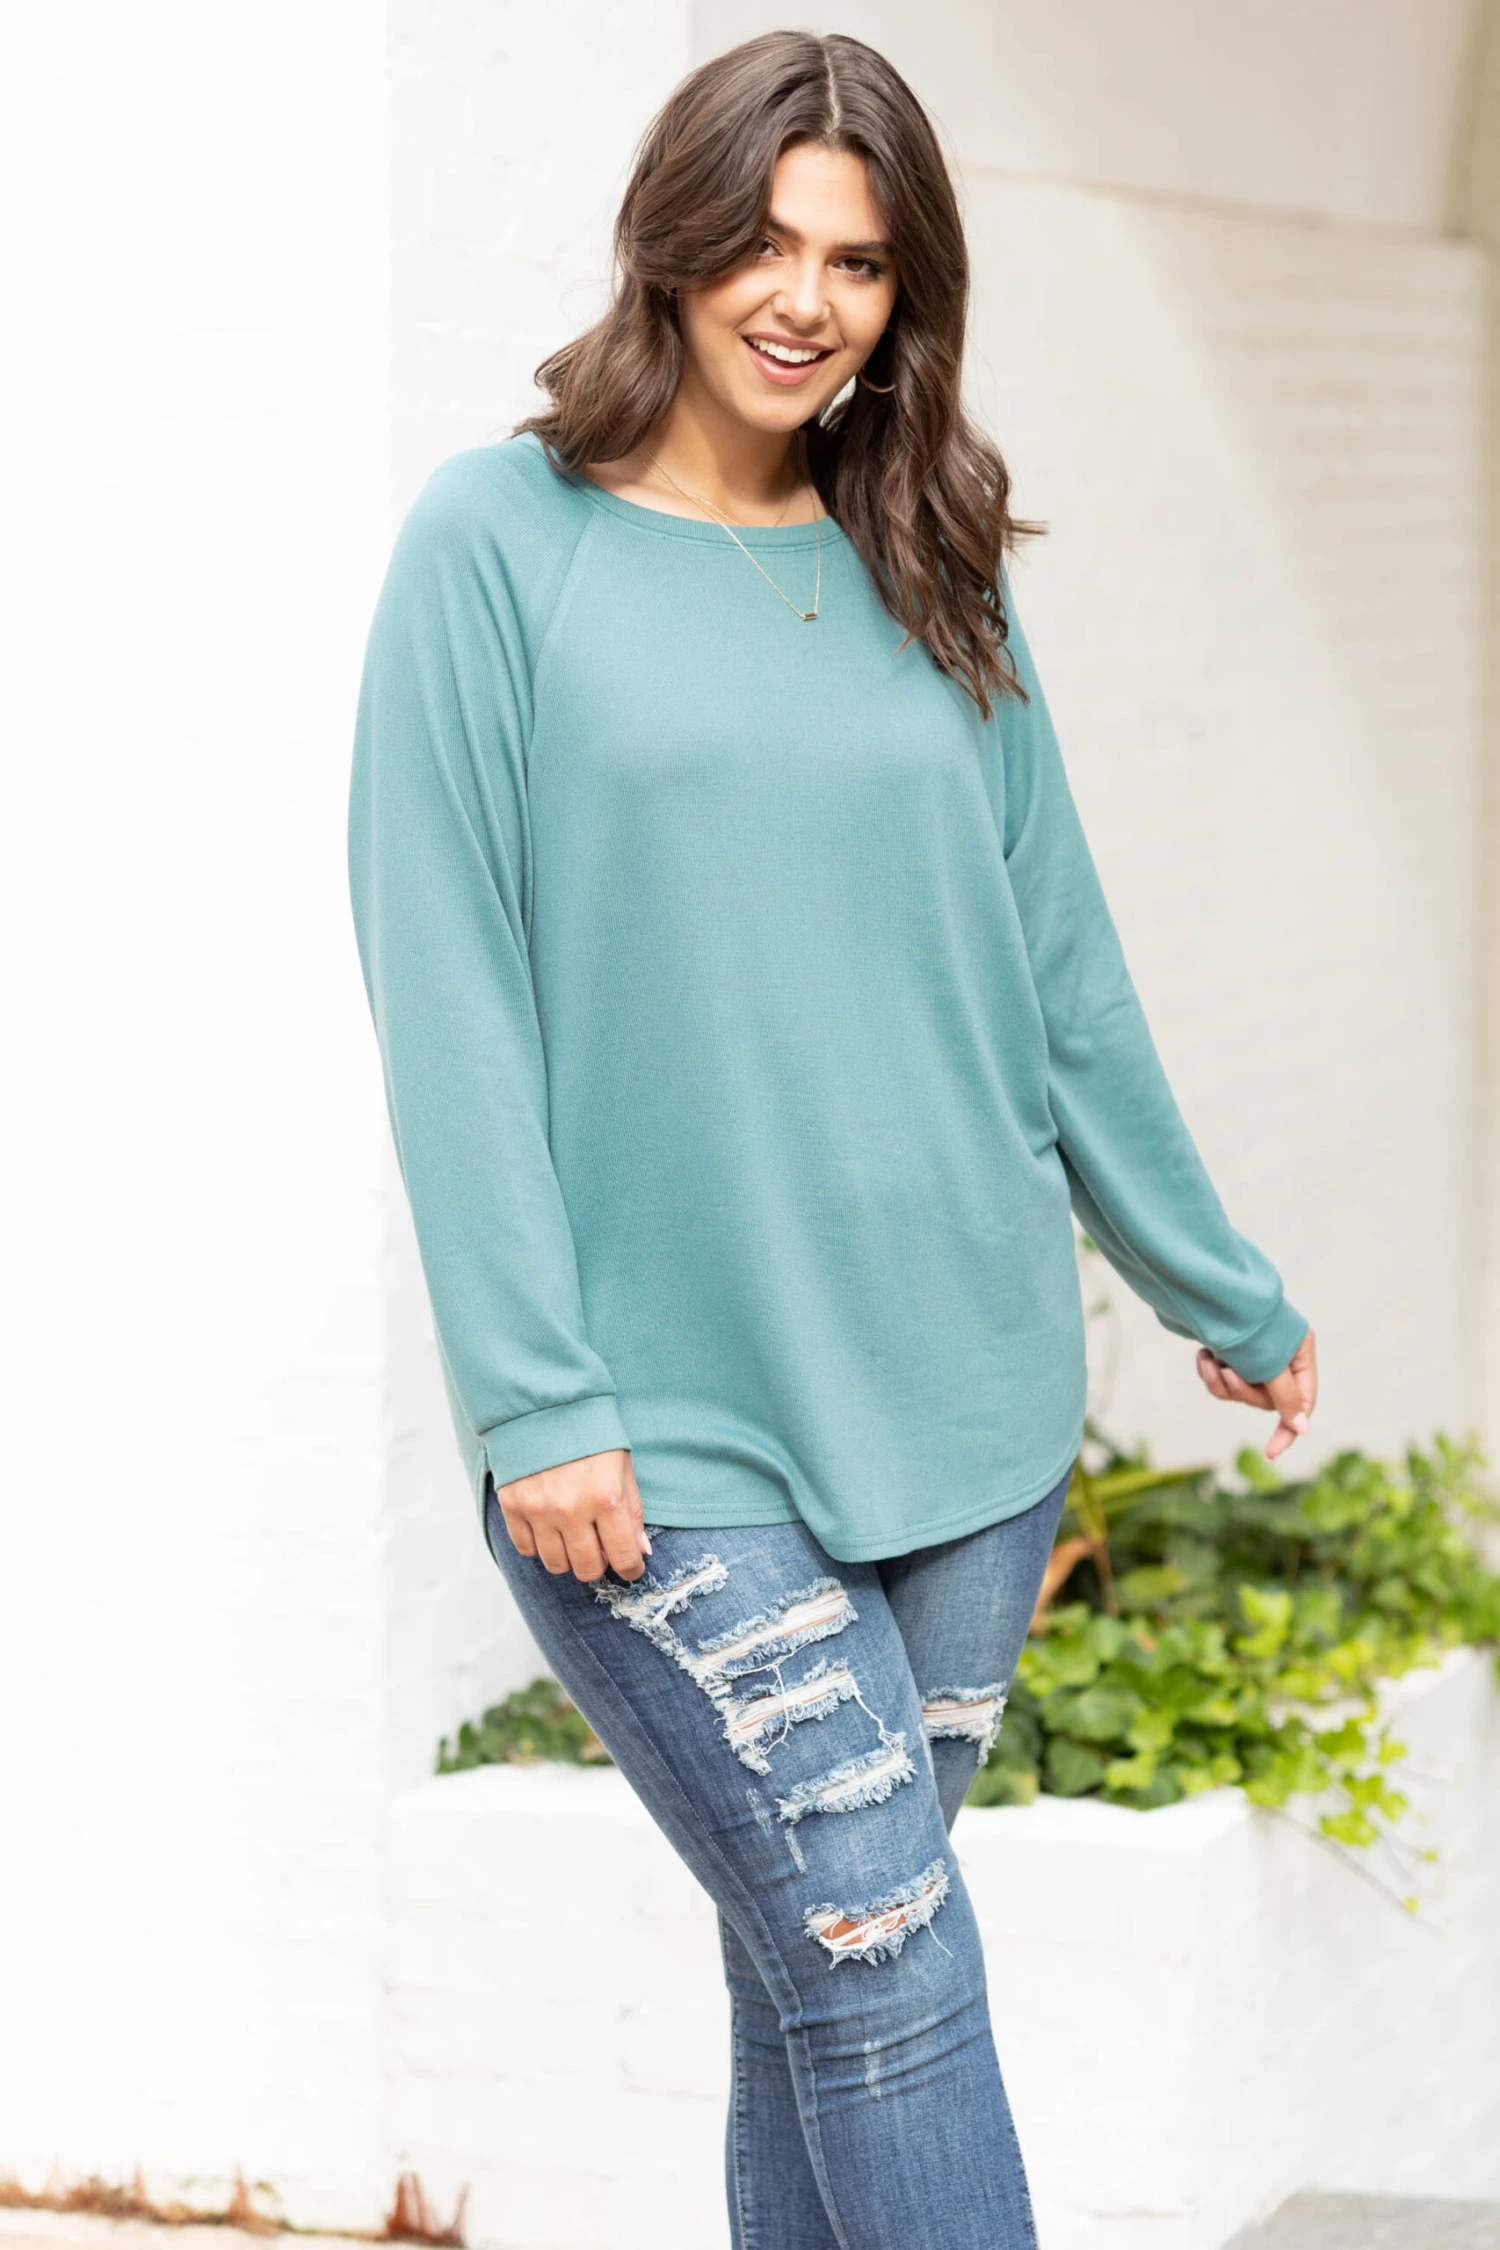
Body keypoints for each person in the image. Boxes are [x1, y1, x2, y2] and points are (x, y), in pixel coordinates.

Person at [348, 29, 1318, 2248]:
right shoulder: (499, 546)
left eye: (859, 262)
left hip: (965, 1404)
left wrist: (1217, 1283)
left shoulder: (931, 560)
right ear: (673, 244)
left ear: (906, 295)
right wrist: (534, 1399)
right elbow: (446, 987)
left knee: (818, 1980)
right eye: (766, 244)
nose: (806, 300)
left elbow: (1059, 968)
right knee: (886, 1974)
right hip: (663, 1431)